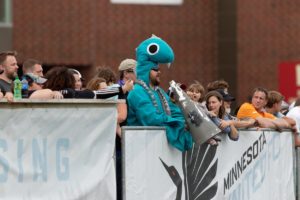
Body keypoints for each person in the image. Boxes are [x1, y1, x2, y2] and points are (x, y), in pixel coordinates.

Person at [127, 35, 193, 151]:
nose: (159, 72)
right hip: (141, 151)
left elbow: (175, 111)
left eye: (159, 69)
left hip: (161, 151)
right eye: (155, 70)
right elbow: (151, 119)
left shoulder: (160, 92)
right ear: (146, 70)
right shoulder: (136, 92)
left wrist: (187, 121)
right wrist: (179, 123)